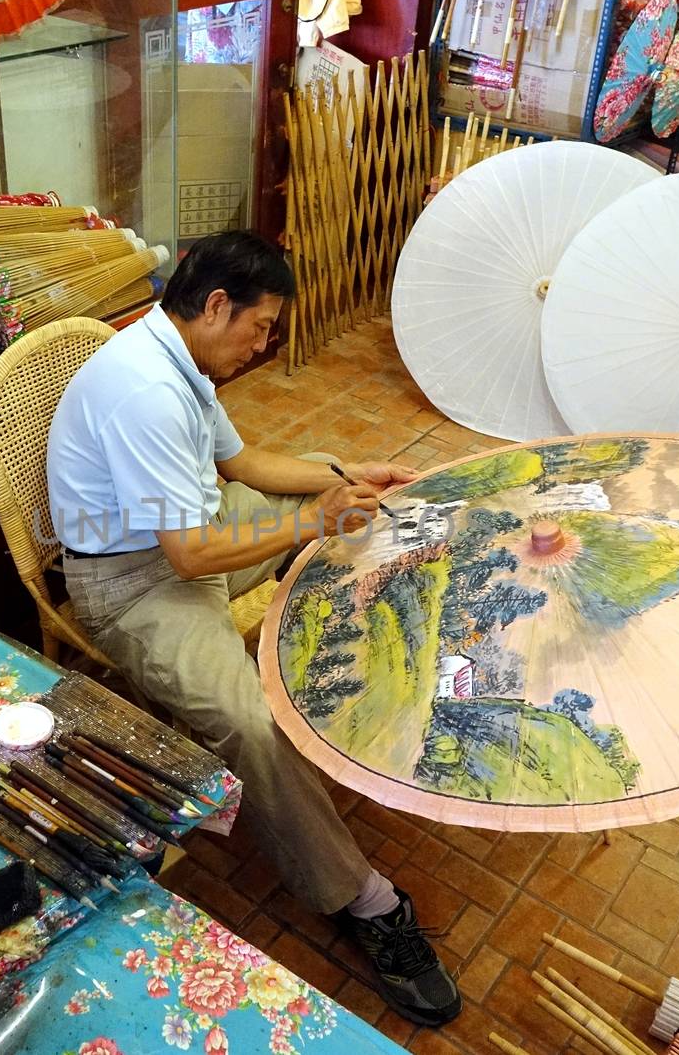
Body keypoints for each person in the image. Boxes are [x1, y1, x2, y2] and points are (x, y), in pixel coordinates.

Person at [47, 231, 462, 1026]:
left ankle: (361, 683)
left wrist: (349, 475)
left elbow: (244, 466)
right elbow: (193, 558)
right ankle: (366, 901)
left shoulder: (180, 357)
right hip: (134, 585)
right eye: (261, 326)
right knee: (249, 722)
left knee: (332, 479)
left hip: (187, 532)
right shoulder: (148, 390)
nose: (265, 344)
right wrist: (311, 516)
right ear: (215, 305)